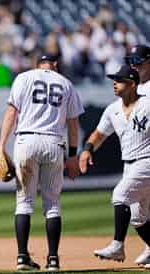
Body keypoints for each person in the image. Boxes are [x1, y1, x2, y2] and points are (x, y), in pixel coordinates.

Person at [0, 54, 84, 271]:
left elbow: (11, 113)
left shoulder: (24, 78)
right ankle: (53, 259)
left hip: (26, 141)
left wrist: (1, 145)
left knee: (24, 201)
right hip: (54, 142)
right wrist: (73, 155)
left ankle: (22, 257)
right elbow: (73, 125)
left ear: (37, 65)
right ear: (55, 65)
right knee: (52, 203)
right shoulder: (66, 83)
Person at [79, 65, 150, 269]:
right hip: (129, 165)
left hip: (146, 160)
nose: (114, 83)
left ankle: (118, 246)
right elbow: (99, 134)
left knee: (120, 195)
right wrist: (87, 150)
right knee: (138, 217)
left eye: (119, 80)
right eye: (114, 79)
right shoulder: (113, 109)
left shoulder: (147, 104)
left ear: (132, 84)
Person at [124, 45, 150, 267]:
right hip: (136, 156)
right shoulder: (133, 88)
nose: (134, 65)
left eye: (138, 61)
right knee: (138, 213)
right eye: (130, 61)